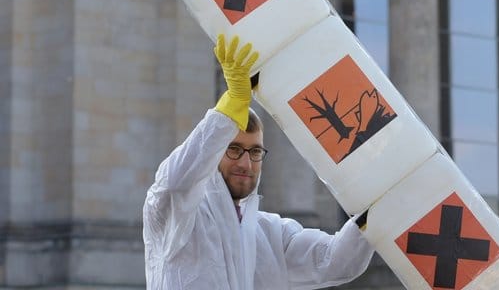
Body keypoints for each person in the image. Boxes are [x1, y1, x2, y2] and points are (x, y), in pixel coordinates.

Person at [143, 35, 375, 289]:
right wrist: (229, 110)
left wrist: (376, 202)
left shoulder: (271, 232)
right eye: (234, 149)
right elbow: (174, 185)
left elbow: (336, 262)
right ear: (213, 152)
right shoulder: (178, 222)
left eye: (255, 152)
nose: (246, 163)